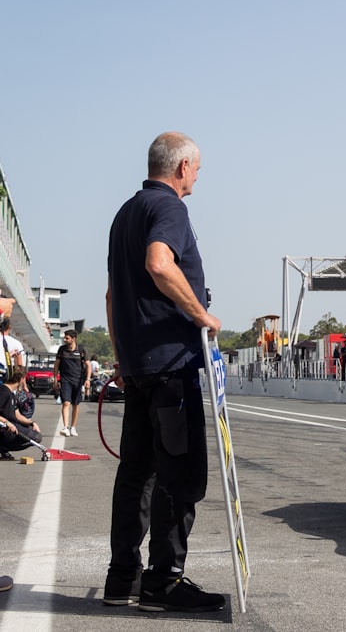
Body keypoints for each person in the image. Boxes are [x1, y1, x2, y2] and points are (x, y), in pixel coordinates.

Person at [103, 131, 224, 612]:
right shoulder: (170, 209)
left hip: (138, 369)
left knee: (136, 473)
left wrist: (121, 358)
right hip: (171, 367)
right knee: (182, 476)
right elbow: (159, 263)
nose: (197, 177)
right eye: (196, 168)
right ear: (181, 167)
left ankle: (122, 579)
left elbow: (112, 297)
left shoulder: (124, 213)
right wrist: (201, 314)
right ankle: (163, 583)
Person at [54, 329, 90, 437]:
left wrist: (87, 379)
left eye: (67, 338)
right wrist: (55, 379)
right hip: (65, 380)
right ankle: (65, 427)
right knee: (66, 403)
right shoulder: (62, 350)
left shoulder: (81, 350)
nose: (65, 340)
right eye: (64, 338)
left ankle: (73, 427)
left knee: (75, 404)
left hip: (78, 380)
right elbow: (56, 365)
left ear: (73, 339)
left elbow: (88, 365)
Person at [0, 366, 42, 459]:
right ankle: (2, 447)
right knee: (36, 437)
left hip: (11, 427)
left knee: (32, 431)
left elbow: (17, 415)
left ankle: (3, 448)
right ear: (21, 379)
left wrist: (32, 423)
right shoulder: (3, 392)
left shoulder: (11, 393)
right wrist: (6, 422)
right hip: (4, 429)